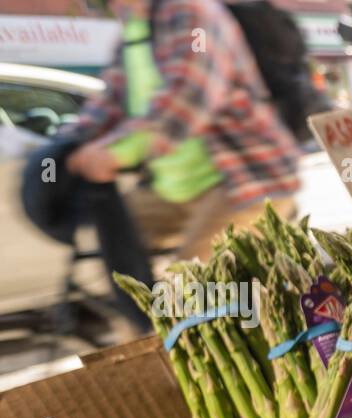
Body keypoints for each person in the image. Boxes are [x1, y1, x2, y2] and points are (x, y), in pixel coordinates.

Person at [65, 0, 301, 277]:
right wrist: (70, 143)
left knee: (189, 285)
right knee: (108, 235)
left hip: (243, 181)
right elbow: (109, 100)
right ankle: (131, 313)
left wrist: (118, 154)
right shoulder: (134, 29)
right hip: (175, 190)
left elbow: (190, 96)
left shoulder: (191, 11)